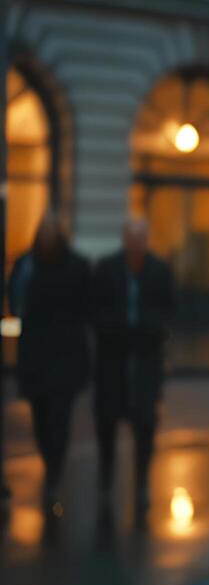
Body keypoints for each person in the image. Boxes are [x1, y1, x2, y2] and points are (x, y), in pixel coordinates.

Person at [91, 217, 175, 516]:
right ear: (125, 240)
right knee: (107, 423)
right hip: (113, 360)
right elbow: (96, 309)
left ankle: (141, 482)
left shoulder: (159, 270)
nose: (136, 244)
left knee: (145, 426)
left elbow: (168, 309)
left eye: (141, 238)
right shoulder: (107, 268)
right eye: (132, 238)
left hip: (145, 362)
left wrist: (151, 330)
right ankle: (106, 478)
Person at [14, 212, 91, 513]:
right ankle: (51, 465)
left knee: (59, 417)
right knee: (42, 419)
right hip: (37, 355)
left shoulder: (76, 267)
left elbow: (86, 308)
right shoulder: (27, 266)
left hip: (64, 355)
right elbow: (16, 301)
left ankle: (53, 473)